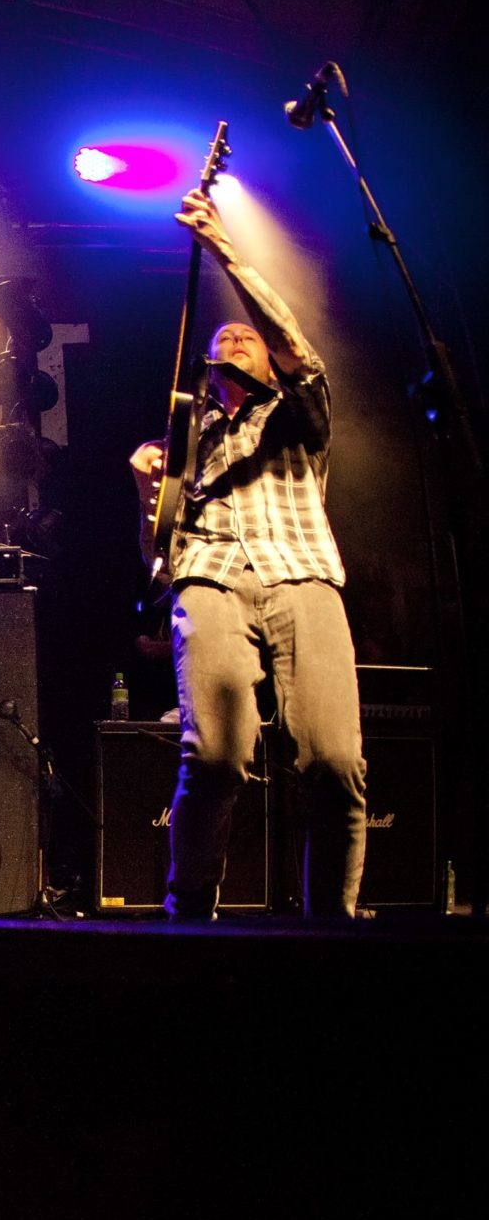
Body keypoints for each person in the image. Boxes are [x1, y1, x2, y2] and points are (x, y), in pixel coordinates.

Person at [129, 189, 365, 921]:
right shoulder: (185, 437)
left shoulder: (299, 412)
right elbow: (158, 557)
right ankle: (190, 919)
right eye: (221, 338)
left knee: (332, 762)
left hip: (301, 571)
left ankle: (332, 928)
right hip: (211, 579)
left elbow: (292, 343)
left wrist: (225, 247)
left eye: (247, 337)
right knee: (215, 758)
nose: (233, 338)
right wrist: (147, 499)